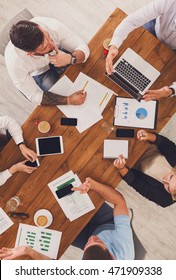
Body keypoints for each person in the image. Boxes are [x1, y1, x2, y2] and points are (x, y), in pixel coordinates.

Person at [0, 178, 134, 260]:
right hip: (107, 222)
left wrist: (27, 250)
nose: (91, 239)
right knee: (75, 196)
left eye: (90, 243)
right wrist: (92, 185)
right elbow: (119, 201)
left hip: (91, 241)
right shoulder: (123, 247)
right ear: (111, 255)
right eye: (97, 241)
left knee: (57, 224)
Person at [5, 17, 90, 105]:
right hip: (41, 72)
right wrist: (68, 100)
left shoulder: (50, 25)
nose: (52, 44)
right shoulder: (15, 64)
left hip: (62, 53)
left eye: (49, 37)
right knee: (62, 96)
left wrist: (70, 58)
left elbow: (82, 46)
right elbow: (34, 96)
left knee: (87, 68)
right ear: (30, 53)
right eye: (45, 47)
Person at [106, 0, 176, 101]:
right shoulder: (169, 2)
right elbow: (132, 21)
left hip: (173, 50)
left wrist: (171, 90)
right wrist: (114, 45)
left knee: (158, 81)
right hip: (154, 29)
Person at [113, 129, 176, 208]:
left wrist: (121, 168)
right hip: (143, 143)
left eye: (167, 187)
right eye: (170, 177)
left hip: (128, 160)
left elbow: (134, 182)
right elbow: (166, 144)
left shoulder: (164, 199)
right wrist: (149, 136)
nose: (164, 180)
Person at [0, 115, 37, 186]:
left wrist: (21, 145)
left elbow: (9, 122)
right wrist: (15, 168)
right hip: (6, 160)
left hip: (11, 137)